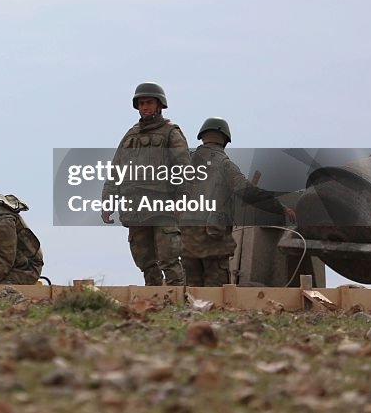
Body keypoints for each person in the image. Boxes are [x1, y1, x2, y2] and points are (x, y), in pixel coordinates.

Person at [181, 117, 295, 286]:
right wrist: (279, 207)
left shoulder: (185, 162)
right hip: (213, 242)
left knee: (190, 294)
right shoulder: (225, 165)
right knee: (216, 297)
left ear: (202, 136)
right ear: (225, 140)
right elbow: (248, 192)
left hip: (186, 241)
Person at [101, 82, 191, 286]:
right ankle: (153, 298)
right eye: (141, 103)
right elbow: (116, 170)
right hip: (135, 207)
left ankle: (177, 300)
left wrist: (182, 199)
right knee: (144, 260)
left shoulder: (170, 133)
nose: (145, 107)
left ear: (159, 105)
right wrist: (108, 202)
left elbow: (184, 168)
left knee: (169, 257)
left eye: (149, 102)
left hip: (163, 206)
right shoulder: (130, 136)